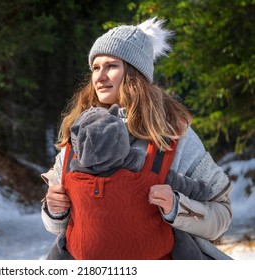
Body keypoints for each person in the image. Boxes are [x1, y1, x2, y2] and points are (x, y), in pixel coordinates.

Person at [41, 17, 232, 260]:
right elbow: (59, 227)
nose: (99, 76)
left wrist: (176, 207)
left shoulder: (171, 134)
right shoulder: (79, 133)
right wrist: (53, 210)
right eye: (95, 67)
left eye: (111, 66)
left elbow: (221, 215)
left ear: (134, 73)